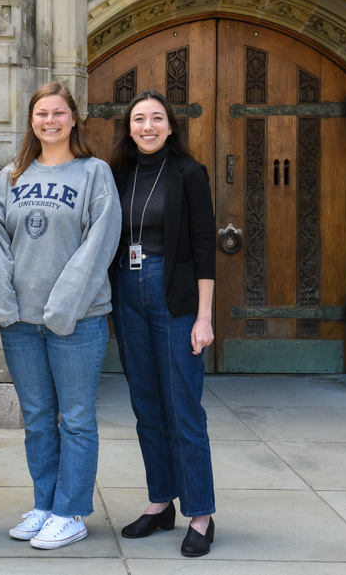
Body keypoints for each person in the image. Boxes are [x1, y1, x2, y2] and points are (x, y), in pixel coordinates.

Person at [0, 82, 121, 550]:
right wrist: (4, 304)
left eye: (59, 113)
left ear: (73, 119)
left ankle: (71, 511)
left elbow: (100, 244)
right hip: (21, 324)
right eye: (41, 113)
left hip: (79, 319)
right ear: (32, 120)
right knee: (39, 417)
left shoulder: (94, 173)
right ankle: (45, 504)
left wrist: (63, 306)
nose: (50, 121)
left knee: (78, 418)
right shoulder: (10, 177)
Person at [109, 90, 217, 557]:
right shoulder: (118, 174)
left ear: (171, 127)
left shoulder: (189, 174)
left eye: (157, 118)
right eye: (139, 119)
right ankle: (160, 502)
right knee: (147, 406)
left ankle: (201, 513)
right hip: (128, 295)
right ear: (129, 127)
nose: (147, 126)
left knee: (183, 409)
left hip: (175, 299)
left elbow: (204, 247)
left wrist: (204, 318)